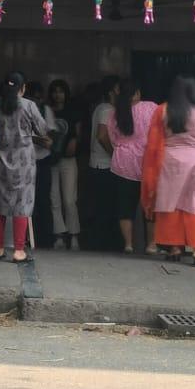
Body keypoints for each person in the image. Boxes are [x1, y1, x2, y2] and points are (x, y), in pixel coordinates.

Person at [142, 75, 195, 268]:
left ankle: (174, 249)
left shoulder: (163, 111)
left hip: (170, 160)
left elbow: (153, 141)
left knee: (171, 203)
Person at [0, 72, 48, 263]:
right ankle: (19, 250)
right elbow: (43, 129)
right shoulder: (29, 105)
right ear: (23, 88)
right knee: (22, 202)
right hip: (23, 162)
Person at [108, 78, 158, 255]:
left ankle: (128, 244)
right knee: (150, 206)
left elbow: (113, 139)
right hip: (147, 163)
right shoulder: (151, 107)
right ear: (136, 93)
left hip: (123, 163)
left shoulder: (115, 113)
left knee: (125, 207)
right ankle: (151, 244)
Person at [47, 79, 82, 250]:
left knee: (69, 199)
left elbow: (78, 134)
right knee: (54, 198)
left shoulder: (72, 111)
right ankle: (59, 235)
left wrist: (74, 143)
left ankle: (74, 235)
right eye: (55, 91)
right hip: (52, 159)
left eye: (61, 91)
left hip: (68, 159)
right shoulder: (48, 111)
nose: (57, 95)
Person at [88, 75, 121, 251]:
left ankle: (98, 243)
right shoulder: (107, 110)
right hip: (104, 164)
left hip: (97, 163)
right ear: (111, 92)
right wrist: (115, 154)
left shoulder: (100, 108)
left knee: (101, 206)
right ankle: (102, 245)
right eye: (118, 88)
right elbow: (102, 136)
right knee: (106, 208)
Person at [26, 80, 60, 249]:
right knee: (26, 201)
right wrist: (38, 139)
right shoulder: (23, 109)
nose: (37, 101)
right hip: (27, 159)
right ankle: (27, 237)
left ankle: (45, 238)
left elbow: (51, 133)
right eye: (34, 98)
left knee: (43, 200)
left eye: (39, 98)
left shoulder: (44, 110)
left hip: (43, 159)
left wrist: (45, 139)